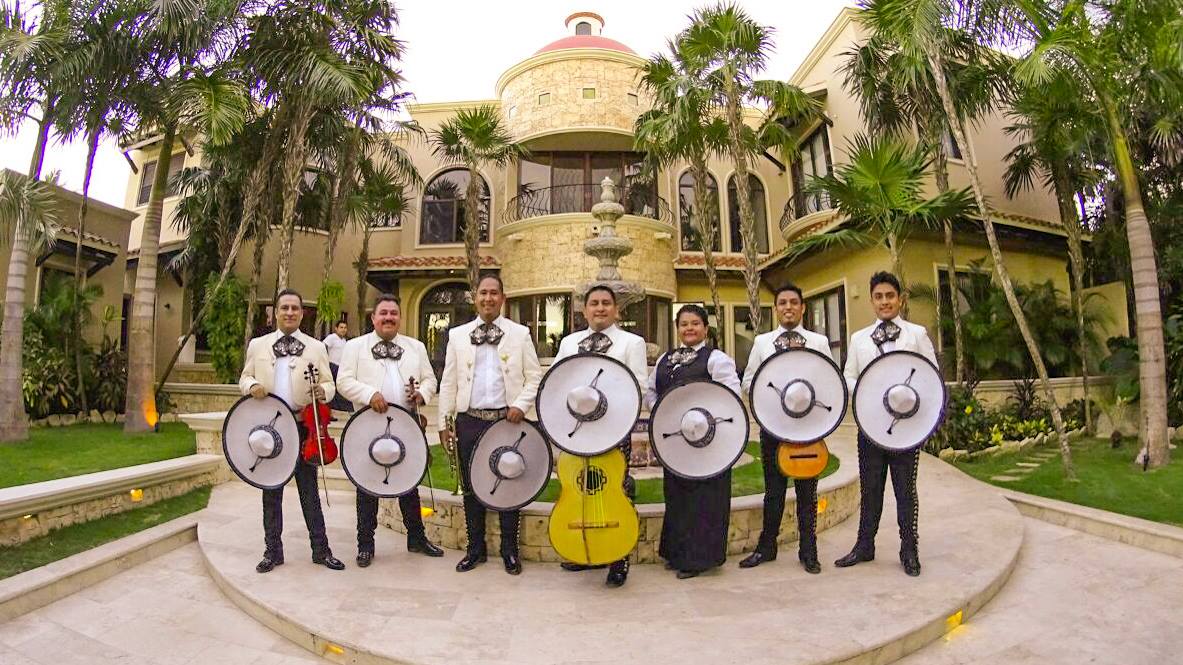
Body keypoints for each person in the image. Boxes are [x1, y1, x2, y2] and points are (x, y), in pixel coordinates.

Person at [834, 271, 937, 577]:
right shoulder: (858, 338)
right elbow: (848, 375)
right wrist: (866, 392)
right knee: (871, 488)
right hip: (870, 425)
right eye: (878, 297)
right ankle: (865, 545)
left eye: (889, 296)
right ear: (871, 301)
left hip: (906, 428)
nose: (884, 302)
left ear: (900, 298)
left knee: (905, 490)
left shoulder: (916, 334)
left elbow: (931, 374)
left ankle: (909, 549)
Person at [437, 273, 542, 575]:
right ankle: (475, 549)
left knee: (511, 483)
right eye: (483, 293)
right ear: (475, 297)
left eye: (494, 293)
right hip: (469, 420)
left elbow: (534, 376)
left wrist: (520, 406)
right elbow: (449, 382)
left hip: (506, 422)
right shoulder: (457, 335)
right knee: (471, 488)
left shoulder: (520, 334)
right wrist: (445, 424)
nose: (488, 298)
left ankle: (510, 551)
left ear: (502, 298)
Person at [238, 288, 345, 573]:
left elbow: (331, 384)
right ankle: (272, 551)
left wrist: (322, 390)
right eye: (284, 308)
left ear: (302, 312)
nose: (289, 313)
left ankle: (321, 550)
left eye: (294, 308)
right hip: (270, 428)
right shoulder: (258, 345)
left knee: (309, 490)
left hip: (303, 426)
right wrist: (252, 387)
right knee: (271, 492)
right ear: (275, 312)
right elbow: (245, 377)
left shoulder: (316, 347)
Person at [335, 294, 445, 568]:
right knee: (367, 486)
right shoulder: (355, 347)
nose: (388, 318)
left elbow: (431, 379)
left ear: (399, 318)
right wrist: (370, 393)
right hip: (368, 425)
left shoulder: (416, 347)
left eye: (393, 313)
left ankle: (416, 538)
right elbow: (343, 382)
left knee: (410, 484)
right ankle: (365, 544)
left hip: (406, 424)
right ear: (373, 318)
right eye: (383, 313)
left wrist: (422, 394)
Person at [552, 284, 648, 588]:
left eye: (606, 303)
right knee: (580, 485)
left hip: (614, 429)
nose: (600, 308)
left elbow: (640, 387)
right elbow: (555, 382)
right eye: (594, 303)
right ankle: (584, 550)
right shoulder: (569, 343)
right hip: (577, 433)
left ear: (616, 309)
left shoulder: (632, 343)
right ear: (585, 310)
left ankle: (619, 557)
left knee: (617, 486)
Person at [738, 283, 834, 574]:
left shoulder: (818, 342)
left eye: (794, 302)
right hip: (773, 427)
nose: (788, 307)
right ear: (776, 308)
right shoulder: (763, 342)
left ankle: (809, 551)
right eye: (782, 303)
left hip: (808, 429)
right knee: (774, 491)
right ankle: (767, 547)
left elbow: (830, 381)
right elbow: (748, 381)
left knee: (808, 491)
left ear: (803, 307)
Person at [644, 304, 741, 579]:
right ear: (677, 329)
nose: (689, 328)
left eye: (695, 323)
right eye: (684, 324)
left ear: (705, 329)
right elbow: (650, 392)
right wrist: (660, 409)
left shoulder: (716, 359)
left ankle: (699, 559)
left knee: (705, 498)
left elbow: (730, 396)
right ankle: (676, 553)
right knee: (676, 495)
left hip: (708, 443)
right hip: (674, 441)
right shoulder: (665, 358)